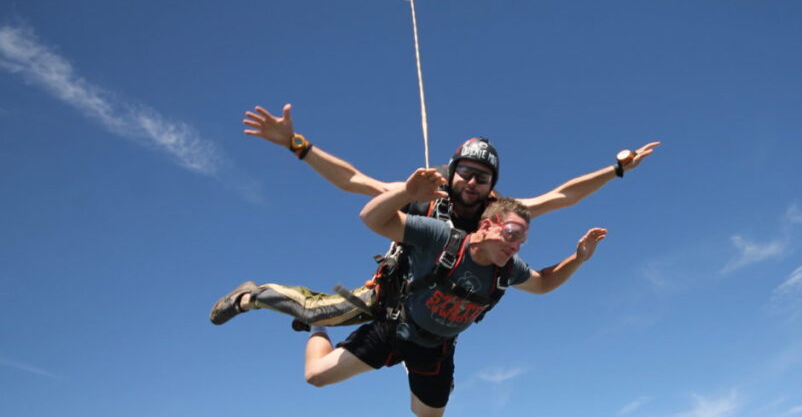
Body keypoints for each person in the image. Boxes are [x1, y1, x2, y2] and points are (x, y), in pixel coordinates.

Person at [211, 104, 656, 328]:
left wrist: (616, 169)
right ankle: (253, 295)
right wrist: (297, 145)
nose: (472, 185)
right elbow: (353, 181)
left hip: (434, 307)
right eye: (465, 174)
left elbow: (562, 196)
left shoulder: (496, 213)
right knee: (317, 313)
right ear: (453, 170)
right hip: (397, 288)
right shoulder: (427, 192)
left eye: (483, 179)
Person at [296, 167, 606, 417]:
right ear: (487, 225)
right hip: (395, 326)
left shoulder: (506, 268)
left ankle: (413, 370)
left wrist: (577, 259)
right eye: (511, 236)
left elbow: (544, 283)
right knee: (316, 375)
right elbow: (368, 208)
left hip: (434, 346)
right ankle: (317, 327)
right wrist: (407, 192)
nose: (515, 246)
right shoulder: (439, 235)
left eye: (521, 241)